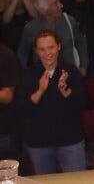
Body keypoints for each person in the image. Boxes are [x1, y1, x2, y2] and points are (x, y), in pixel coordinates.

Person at [16, 29, 86, 174]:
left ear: (59, 46)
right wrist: (40, 91)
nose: (47, 53)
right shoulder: (29, 74)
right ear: (36, 51)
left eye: (51, 47)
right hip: (39, 143)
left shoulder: (70, 71)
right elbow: (21, 108)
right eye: (42, 49)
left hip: (70, 140)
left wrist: (64, 89)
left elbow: (82, 103)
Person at [18, 0, 89, 75]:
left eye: (59, 2)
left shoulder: (69, 21)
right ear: (43, 10)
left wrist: (84, 65)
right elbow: (22, 52)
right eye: (55, 4)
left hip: (69, 74)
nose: (61, 5)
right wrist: (25, 74)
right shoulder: (31, 28)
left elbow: (81, 43)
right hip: (43, 76)